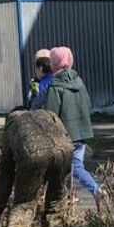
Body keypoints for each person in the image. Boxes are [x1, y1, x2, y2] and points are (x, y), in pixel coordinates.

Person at [0, 108, 73, 227]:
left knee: (25, 200)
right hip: (64, 150)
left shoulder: (12, 126)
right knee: (56, 195)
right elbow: (64, 134)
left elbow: (6, 175)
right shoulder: (48, 113)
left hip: (34, 154)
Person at [43, 46, 101, 198]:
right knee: (70, 167)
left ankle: (96, 191)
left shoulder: (55, 86)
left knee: (71, 168)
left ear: (54, 62)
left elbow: (51, 114)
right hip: (81, 134)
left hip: (64, 135)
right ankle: (70, 198)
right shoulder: (79, 81)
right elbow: (87, 104)